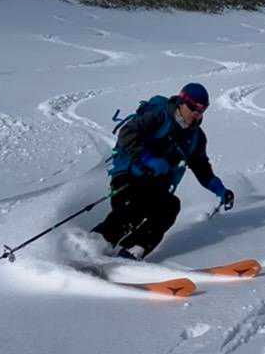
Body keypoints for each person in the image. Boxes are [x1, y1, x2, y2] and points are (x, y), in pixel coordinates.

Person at [92, 82, 234, 260]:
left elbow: (201, 167)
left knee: (170, 207)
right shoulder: (159, 116)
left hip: (156, 185)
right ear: (182, 102)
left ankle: (131, 253)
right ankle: (90, 246)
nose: (197, 114)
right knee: (132, 210)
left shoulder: (196, 137)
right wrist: (148, 159)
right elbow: (127, 133)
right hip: (129, 176)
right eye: (194, 108)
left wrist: (220, 190)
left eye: (203, 110)